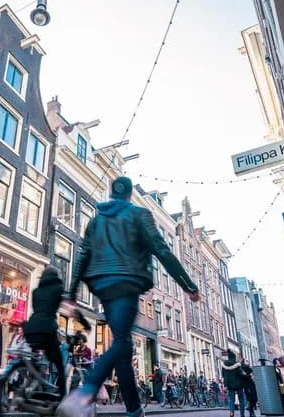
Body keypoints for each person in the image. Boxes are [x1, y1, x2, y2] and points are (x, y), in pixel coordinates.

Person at [57, 176, 200, 417]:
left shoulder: (96, 220)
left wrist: (71, 293)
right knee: (122, 342)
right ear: (129, 194)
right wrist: (188, 285)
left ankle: (134, 409)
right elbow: (162, 250)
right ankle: (85, 392)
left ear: (111, 193)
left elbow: (83, 256)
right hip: (127, 281)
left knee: (122, 348)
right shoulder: (139, 215)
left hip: (102, 286)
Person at [21, 266, 67, 395]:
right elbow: (63, 307)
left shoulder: (36, 291)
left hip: (31, 329)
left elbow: (37, 309)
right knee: (59, 364)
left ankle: (31, 390)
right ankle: (62, 397)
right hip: (47, 329)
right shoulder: (58, 289)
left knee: (35, 362)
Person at [222, 351, 246, 417]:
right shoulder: (237, 364)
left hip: (229, 384)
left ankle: (231, 412)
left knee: (231, 399)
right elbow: (240, 374)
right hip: (238, 384)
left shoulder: (224, 365)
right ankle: (242, 414)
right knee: (241, 399)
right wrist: (245, 374)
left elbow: (223, 375)